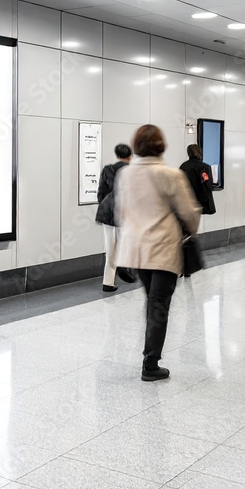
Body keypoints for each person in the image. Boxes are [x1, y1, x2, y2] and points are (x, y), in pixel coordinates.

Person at [115, 125, 201, 382]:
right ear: (161, 145)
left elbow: (121, 212)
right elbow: (189, 213)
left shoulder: (126, 175)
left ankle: (150, 356)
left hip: (137, 249)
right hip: (163, 248)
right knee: (159, 304)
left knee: (153, 301)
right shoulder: (170, 174)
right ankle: (150, 364)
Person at [96, 143, 136, 293]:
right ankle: (123, 267)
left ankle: (108, 282)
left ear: (117, 155)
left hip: (107, 212)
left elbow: (101, 193)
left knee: (110, 247)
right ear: (130, 156)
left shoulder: (108, 169)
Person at [180, 144, 216, 217]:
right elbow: (208, 186)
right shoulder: (205, 167)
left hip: (187, 202)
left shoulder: (183, 166)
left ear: (188, 153)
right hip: (202, 203)